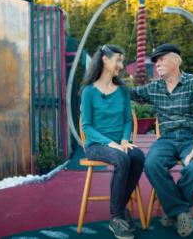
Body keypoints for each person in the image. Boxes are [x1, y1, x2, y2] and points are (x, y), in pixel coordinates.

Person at [131, 44, 193, 237]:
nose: (157, 64)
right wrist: (105, 81)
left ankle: (172, 209)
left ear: (176, 61)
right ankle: (181, 211)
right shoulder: (154, 88)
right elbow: (129, 93)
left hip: (192, 137)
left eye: (162, 59)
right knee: (151, 164)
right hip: (166, 139)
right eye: (155, 61)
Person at [80, 44, 145, 239]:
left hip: (120, 143)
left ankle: (120, 208)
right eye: (118, 59)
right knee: (122, 159)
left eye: (122, 60)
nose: (121, 65)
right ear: (104, 59)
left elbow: (127, 120)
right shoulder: (88, 92)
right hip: (96, 145)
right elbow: (87, 127)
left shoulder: (123, 90)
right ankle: (117, 216)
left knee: (138, 156)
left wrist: (125, 140)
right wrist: (111, 144)